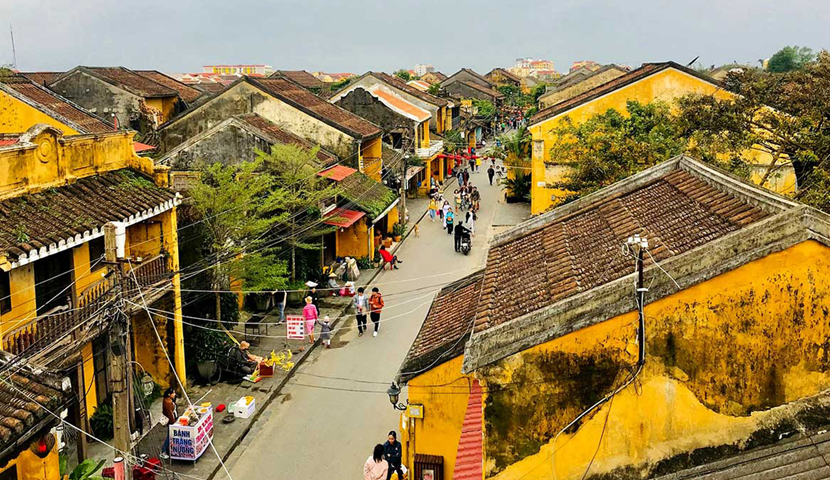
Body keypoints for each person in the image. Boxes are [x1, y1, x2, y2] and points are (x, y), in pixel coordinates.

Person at [160, 388, 177, 460]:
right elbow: (170, 414)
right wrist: (174, 423)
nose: (174, 394)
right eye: (173, 393)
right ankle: (163, 451)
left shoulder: (167, 400)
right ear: (169, 394)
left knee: (170, 435)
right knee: (169, 436)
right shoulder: (168, 403)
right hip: (171, 421)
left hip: (171, 419)